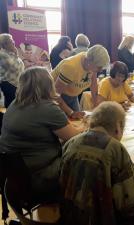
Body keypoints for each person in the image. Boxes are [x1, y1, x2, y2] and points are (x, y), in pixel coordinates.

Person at [60, 101, 134, 225]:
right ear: (118, 126)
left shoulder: (71, 143)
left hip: (70, 216)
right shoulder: (115, 148)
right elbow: (132, 204)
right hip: (100, 218)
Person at [0, 67, 81, 196]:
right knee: (86, 159)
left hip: (13, 178)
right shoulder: (47, 108)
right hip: (39, 177)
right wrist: (86, 127)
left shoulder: (14, 104)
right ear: (48, 85)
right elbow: (76, 137)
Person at [51, 44, 110, 119]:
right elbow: (56, 95)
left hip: (72, 95)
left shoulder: (91, 64)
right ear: (90, 61)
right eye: (99, 67)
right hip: (56, 97)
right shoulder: (70, 66)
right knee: (66, 125)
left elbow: (93, 84)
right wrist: (71, 112)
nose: (100, 70)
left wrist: (96, 105)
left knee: (79, 122)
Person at [0, 33, 24, 108]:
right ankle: (8, 119)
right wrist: (16, 54)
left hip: (16, 83)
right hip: (9, 84)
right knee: (11, 105)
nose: (13, 42)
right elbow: (14, 67)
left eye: (12, 40)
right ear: (5, 44)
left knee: (16, 105)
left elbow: (21, 65)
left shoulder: (11, 53)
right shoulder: (2, 55)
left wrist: (15, 54)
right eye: (11, 41)